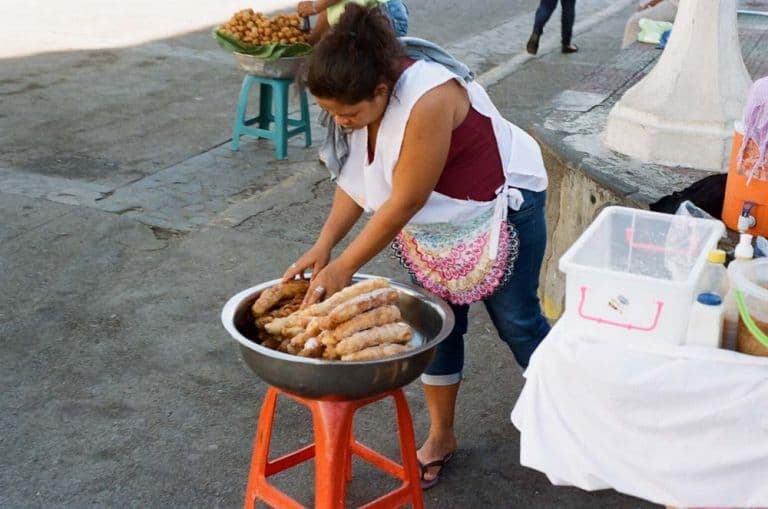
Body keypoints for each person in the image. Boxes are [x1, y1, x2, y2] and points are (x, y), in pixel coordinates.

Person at [282, 4, 551, 489]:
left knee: (518, 323)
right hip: (437, 224)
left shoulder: (427, 97)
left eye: (349, 114)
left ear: (382, 91)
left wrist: (344, 267)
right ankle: (442, 436)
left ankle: (573, 418)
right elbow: (359, 176)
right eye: (332, 115)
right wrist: (324, 245)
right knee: (437, 329)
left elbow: (404, 199)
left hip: (501, 207)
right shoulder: (363, 100)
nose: (341, 123)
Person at [297, 0, 408, 42]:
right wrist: (313, 39)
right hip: (360, 21)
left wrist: (314, 7)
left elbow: (323, 6)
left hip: (379, 13)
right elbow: (328, 10)